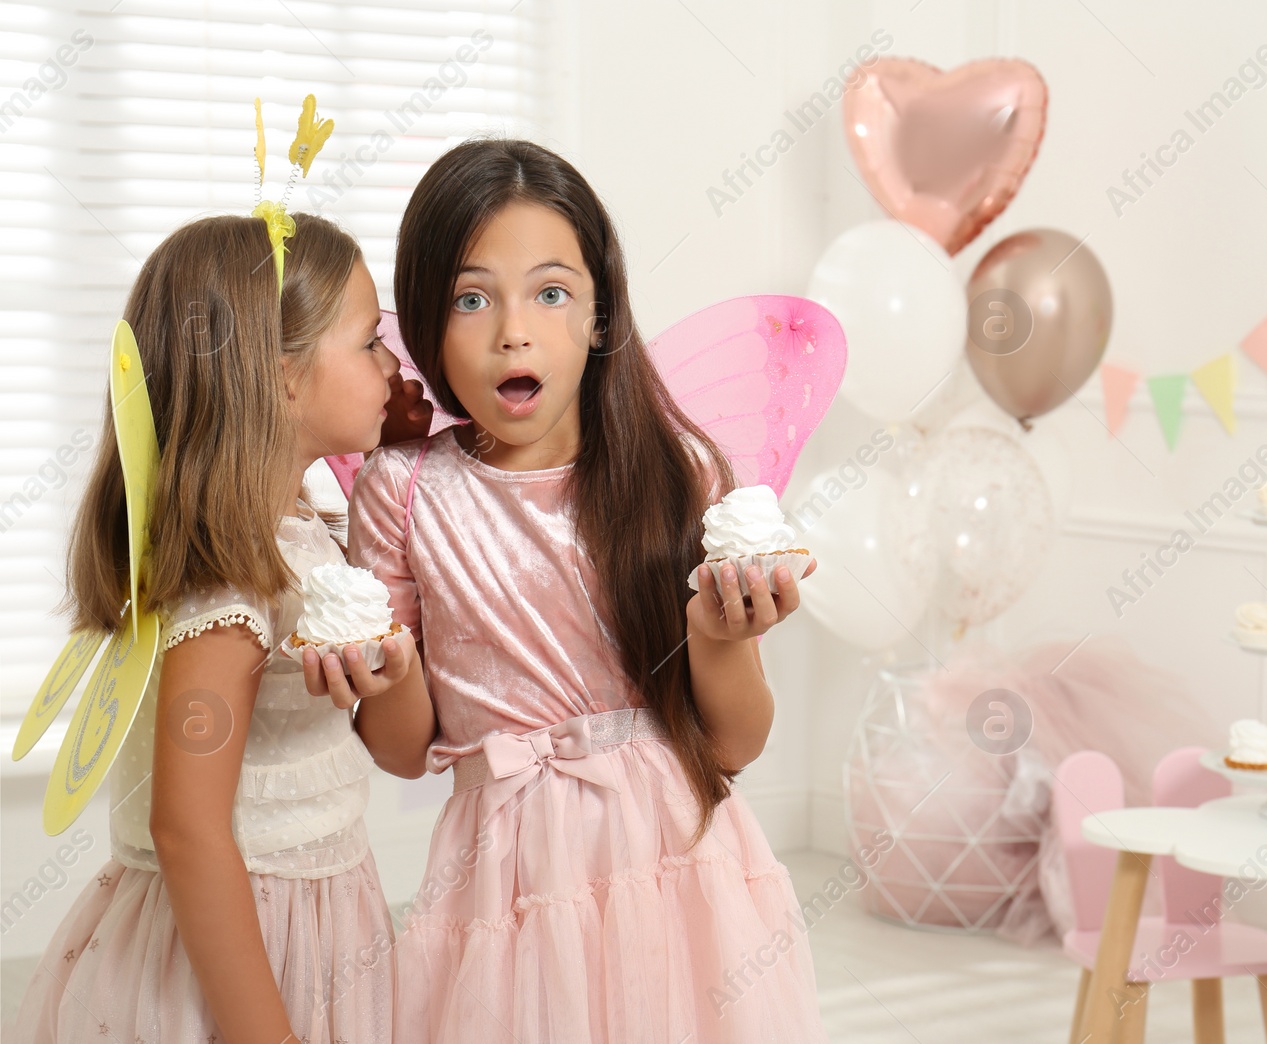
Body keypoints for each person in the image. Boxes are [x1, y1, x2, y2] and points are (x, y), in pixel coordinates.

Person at [334, 138, 829, 1042]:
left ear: (602, 316)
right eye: (470, 298)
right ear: (428, 323)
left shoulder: (677, 469)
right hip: (502, 880)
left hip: (678, 862)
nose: (513, 330)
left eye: (551, 292)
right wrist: (382, 666)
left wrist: (717, 635)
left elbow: (735, 741)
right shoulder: (402, 491)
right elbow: (405, 753)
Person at [15, 211, 422, 1044]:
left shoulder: (305, 532)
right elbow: (187, 828)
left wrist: (402, 668)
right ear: (282, 380)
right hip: (245, 955)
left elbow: (405, 750)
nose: (392, 365)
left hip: (320, 913)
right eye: (369, 342)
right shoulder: (229, 584)